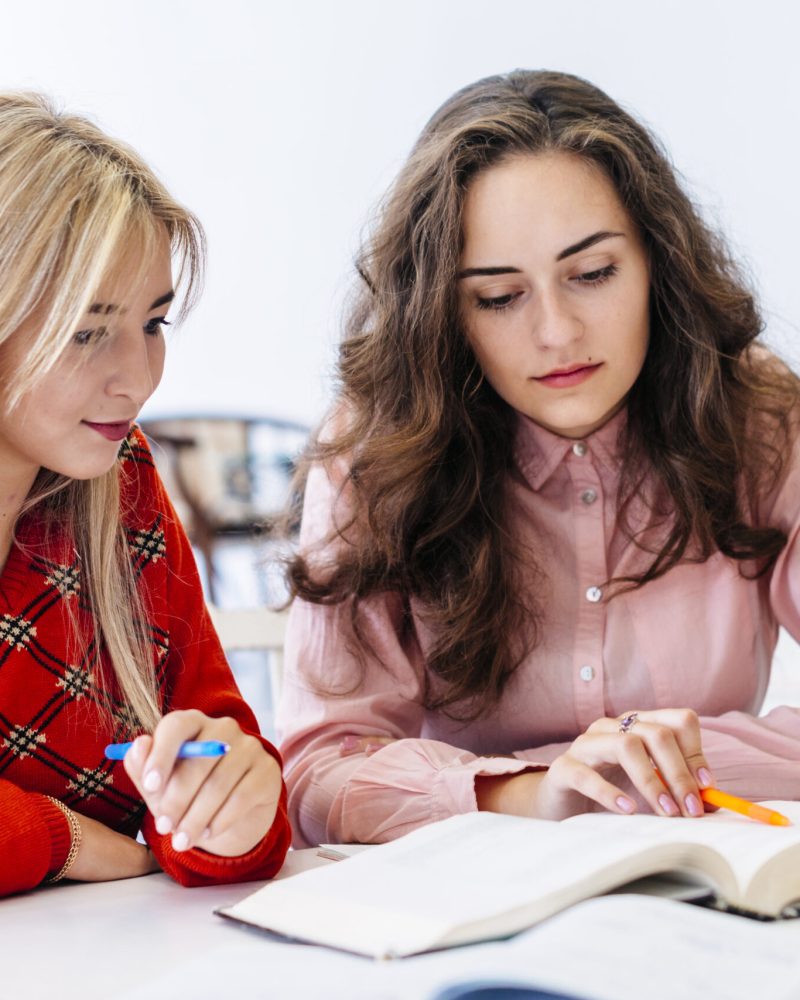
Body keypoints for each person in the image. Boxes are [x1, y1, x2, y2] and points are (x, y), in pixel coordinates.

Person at [278, 69, 800, 849]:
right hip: (474, 896)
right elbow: (318, 773)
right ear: (444, 313)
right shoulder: (372, 450)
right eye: (498, 297)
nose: (556, 333)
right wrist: (535, 791)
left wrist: (635, 772)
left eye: (591, 275)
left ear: (657, 263)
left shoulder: (756, 414)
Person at [0, 93, 290, 895]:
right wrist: (59, 838)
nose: (138, 380)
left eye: (154, 324)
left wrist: (230, 815)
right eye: (87, 331)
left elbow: (216, 769)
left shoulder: (119, 479)